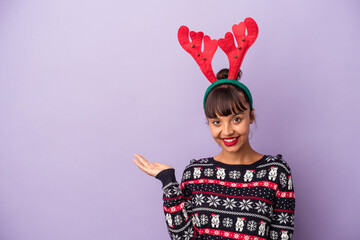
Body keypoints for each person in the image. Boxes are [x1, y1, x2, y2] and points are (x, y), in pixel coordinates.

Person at [133, 18, 295, 240]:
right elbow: (183, 237)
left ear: (251, 116)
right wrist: (168, 181)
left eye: (236, 119)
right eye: (216, 122)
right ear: (208, 122)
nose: (227, 131)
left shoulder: (276, 172)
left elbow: (282, 236)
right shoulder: (195, 174)